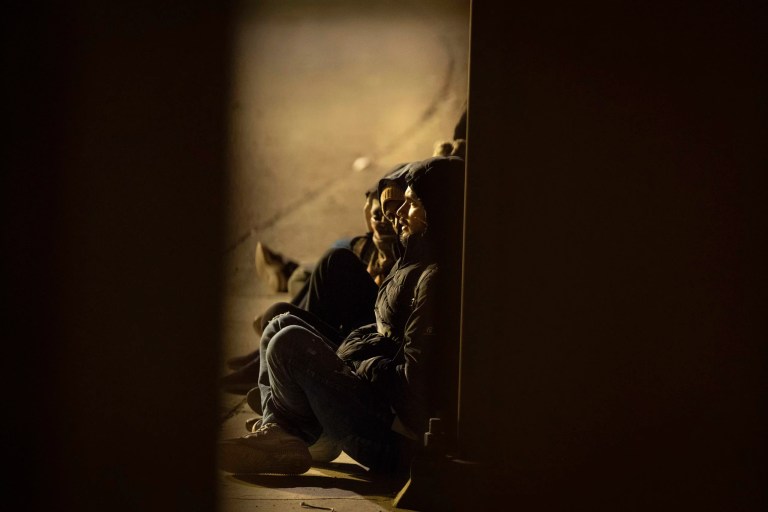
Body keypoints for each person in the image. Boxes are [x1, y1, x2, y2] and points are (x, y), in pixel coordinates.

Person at [217, 155, 466, 475]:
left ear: (438, 210)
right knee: (279, 323)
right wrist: (361, 346)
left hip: (393, 438)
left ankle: (294, 432)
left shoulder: (435, 278)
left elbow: (414, 387)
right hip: (376, 402)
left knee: (289, 343)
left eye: (412, 204)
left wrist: (357, 357)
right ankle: (284, 432)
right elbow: (387, 338)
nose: (399, 215)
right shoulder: (412, 257)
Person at [220, 164, 409, 394]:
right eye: (377, 214)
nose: (383, 221)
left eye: (392, 214)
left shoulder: (415, 258)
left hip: (369, 346)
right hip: (356, 329)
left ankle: (272, 362)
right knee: (302, 284)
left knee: (324, 269)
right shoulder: (369, 245)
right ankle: (267, 353)